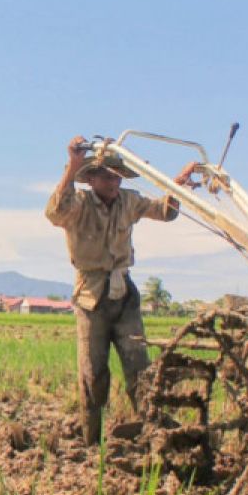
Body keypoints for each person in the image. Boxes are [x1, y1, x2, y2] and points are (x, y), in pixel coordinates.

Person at [45, 135, 198, 446]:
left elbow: (164, 211)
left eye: (116, 176)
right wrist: (72, 165)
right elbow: (55, 213)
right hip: (91, 297)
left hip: (124, 295)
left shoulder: (129, 201)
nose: (113, 181)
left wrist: (177, 188)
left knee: (139, 368)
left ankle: (153, 433)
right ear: (90, 179)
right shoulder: (79, 205)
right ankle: (91, 443)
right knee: (93, 374)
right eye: (105, 176)